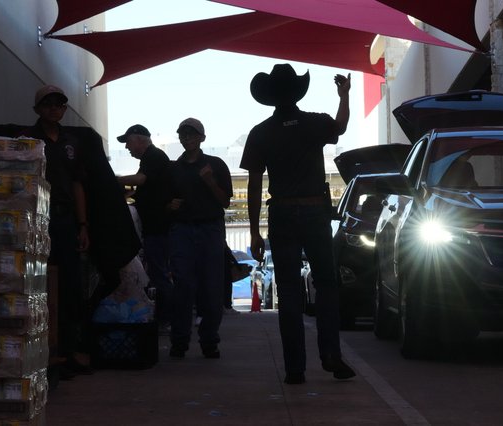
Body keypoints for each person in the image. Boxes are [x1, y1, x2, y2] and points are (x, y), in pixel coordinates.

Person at [240, 64, 356, 384]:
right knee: (327, 285)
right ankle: (331, 355)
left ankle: (295, 369)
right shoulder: (314, 123)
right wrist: (344, 96)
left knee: (289, 291)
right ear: (296, 92)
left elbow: (253, 184)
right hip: (315, 212)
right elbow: (341, 126)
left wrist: (253, 230)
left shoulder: (260, 132)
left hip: (281, 215)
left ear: (270, 97)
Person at [23, 85, 91, 379]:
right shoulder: (28, 141)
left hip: (64, 221)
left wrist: (83, 224)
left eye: (59, 104)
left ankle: (67, 350)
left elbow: (78, 185)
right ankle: (38, 353)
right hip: (35, 220)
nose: (54, 109)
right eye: (48, 104)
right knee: (36, 284)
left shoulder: (71, 142)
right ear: (38, 109)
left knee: (69, 286)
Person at [167, 118, 233, 359]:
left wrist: (209, 181)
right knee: (183, 286)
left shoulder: (216, 165)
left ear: (202, 138)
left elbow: (224, 201)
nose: (187, 138)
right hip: (183, 229)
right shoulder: (174, 169)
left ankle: (209, 340)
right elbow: (163, 200)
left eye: (192, 134)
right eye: (183, 134)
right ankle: (180, 340)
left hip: (209, 228)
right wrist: (169, 205)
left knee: (211, 287)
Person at [116, 124, 173, 333]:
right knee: (158, 273)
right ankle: (168, 318)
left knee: (159, 274)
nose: (128, 148)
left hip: (158, 228)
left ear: (140, 140)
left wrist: (114, 181)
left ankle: (167, 318)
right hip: (154, 228)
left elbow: (141, 180)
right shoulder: (149, 159)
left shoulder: (153, 156)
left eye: (128, 142)